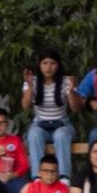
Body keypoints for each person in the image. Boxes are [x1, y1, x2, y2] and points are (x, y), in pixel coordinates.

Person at [22, 51, 76, 179]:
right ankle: (37, 177)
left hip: (62, 124)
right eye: (45, 63)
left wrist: (70, 90)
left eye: (52, 63)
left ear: (58, 65)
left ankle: (64, 178)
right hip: (40, 124)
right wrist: (30, 86)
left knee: (61, 135)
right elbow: (25, 106)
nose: (48, 67)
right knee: (33, 135)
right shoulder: (32, 81)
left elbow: (75, 108)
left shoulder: (66, 81)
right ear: (39, 65)